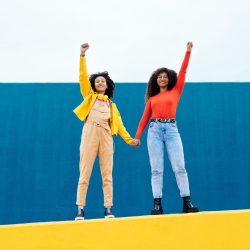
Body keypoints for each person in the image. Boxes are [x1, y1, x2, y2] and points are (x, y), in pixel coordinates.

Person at [74, 43, 139, 220]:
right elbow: (82, 77)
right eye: (97, 81)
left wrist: (129, 140)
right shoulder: (89, 97)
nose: (100, 82)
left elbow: (120, 125)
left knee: (107, 174)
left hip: (106, 136)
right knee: (84, 172)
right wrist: (82, 55)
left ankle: (108, 208)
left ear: (107, 85)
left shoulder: (112, 106)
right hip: (90, 132)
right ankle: (80, 209)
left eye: (103, 81)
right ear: (93, 85)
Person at [134, 42, 199, 214]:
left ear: (169, 78)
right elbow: (144, 118)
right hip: (154, 130)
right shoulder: (152, 98)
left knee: (179, 167)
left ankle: (187, 202)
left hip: (171, 129)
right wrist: (137, 136)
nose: (162, 79)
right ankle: (157, 204)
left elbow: (183, 71)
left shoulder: (176, 91)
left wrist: (188, 52)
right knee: (156, 169)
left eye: (165, 76)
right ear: (156, 80)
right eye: (159, 77)